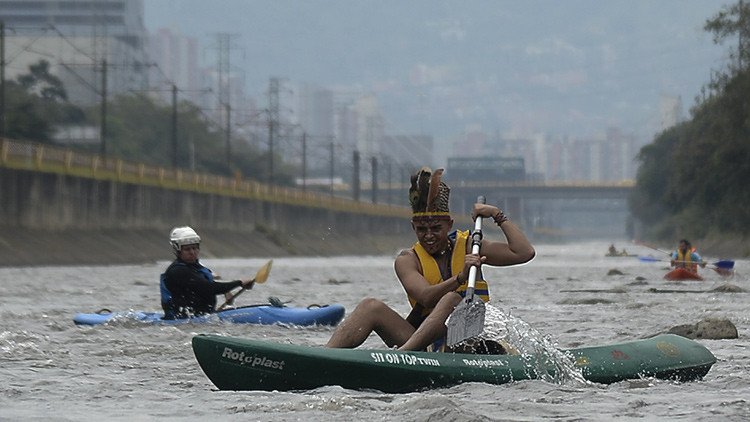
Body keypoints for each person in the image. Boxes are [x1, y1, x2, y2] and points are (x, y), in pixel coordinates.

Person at [326, 167, 535, 352]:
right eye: (422, 229)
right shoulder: (407, 259)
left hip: (468, 341)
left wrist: (497, 215)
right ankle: (326, 356)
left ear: (449, 225)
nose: (428, 235)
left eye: (436, 228)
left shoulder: (471, 245)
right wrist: (460, 277)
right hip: (423, 343)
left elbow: (524, 253)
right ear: (413, 228)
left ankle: (403, 354)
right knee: (370, 305)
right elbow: (425, 297)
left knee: (453, 299)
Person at [160, 226, 255, 319]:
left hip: (202, 316)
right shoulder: (178, 271)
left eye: (195, 248)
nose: (192, 252)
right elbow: (208, 288)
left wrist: (227, 292)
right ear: (178, 251)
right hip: (182, 319)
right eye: (187, 249)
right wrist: (239, 283)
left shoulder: (196, 267)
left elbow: (209, 281)